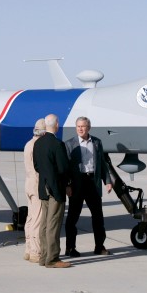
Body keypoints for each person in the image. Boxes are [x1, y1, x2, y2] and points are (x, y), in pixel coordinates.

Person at [64, 116, 113, 257]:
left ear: (88, 127)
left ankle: (99, 246)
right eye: (78, 126)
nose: (80, 129)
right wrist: (67, 185)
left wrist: (107, 181)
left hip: (93, 182)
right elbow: (66, 168)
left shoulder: (97, 142)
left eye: (83, 126)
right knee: (72, 217)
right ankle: (70, 248)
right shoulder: (69, 144)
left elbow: (102, 163)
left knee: (98, 217)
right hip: (77, 183)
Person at [32, 114, 72, 269]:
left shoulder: (38, 143)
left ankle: (43, 256)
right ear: (56, 125)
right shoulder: (57, 144)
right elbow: (63, 168)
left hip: (43, 187)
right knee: (53, 224)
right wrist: (67, 182)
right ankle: (53, 258)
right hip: (56, 189)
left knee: (44, 224)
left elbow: (36, 166)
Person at [23, 118, 46, 263]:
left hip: (28, 183)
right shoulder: (38, 146)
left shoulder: (28, 144)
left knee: (30, 218)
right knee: (38, 219)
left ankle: (28, 248)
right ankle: (36, 252)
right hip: (37, 185)